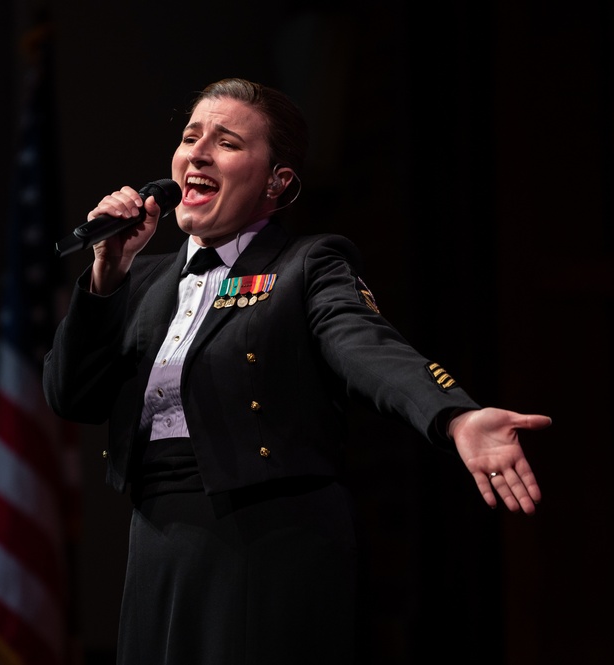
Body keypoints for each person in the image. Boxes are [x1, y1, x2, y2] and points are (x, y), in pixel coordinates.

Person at [42, 77, 549, 664]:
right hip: (156, 539)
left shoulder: (306, 264)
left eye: (227, 143)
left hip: (267, 541)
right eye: (190, 137)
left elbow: (366, 346)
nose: (198, 153)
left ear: (277, 182)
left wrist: (455, 415)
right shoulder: (145, 281)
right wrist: (107, 271)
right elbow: (69, 394)